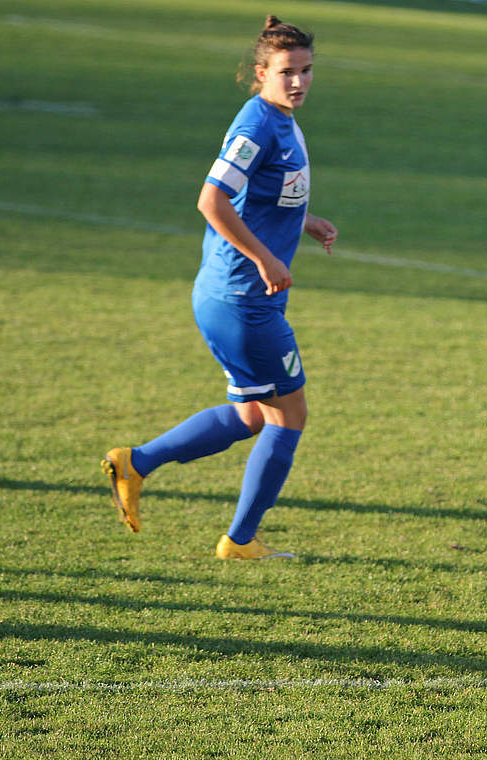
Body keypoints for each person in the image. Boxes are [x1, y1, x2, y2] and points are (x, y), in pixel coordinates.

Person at [101, 15, 337, 560]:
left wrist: (303, 220)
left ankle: (136, 462)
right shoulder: (257, 125)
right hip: (243, 299)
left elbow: (258, 194)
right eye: (286, 72)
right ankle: (241, 539)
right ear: (260, 73)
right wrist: (266, 257)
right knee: (289, 414)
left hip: (229, 296)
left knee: (254, 413)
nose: (298, 81)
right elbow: (212, 200)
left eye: (305, 71)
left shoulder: (279, 119)